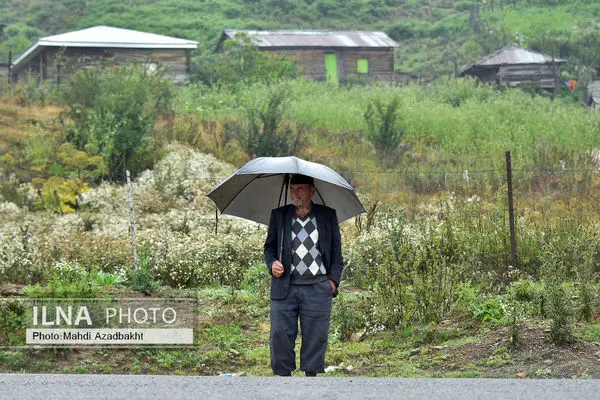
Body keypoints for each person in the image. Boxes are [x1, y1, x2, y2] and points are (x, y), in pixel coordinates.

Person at [264, 174, 344, 377]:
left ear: (312, 191)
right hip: (285, 288)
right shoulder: (279, 215)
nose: (295, 193)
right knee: (279, 336)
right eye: (292, 189)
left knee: (315, 338)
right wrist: (272, 263)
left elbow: (336, 252)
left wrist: (333, 282)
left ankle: (310, 384)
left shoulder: (327, 215)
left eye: (300, 189)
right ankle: (283, 383)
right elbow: (269, 247)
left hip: (318, 288)